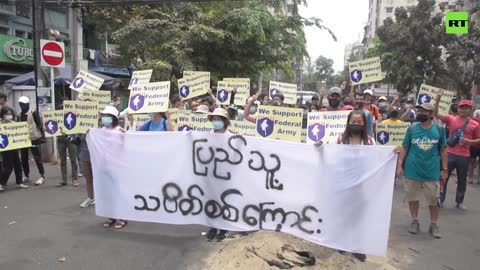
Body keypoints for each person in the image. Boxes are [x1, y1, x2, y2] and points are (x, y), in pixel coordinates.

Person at [396, 103, 447, 239]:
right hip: (412, 170)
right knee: (412, 197)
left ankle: (434, 224)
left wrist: (445, 169)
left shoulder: (439, 129)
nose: (421, 113)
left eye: (424, 111)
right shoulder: (412, 128)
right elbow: (405, 147)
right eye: (419, 110)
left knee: (433, 199)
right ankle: (415, 221)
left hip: (432, 171)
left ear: (431, 114)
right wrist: (400, 164)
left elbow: (443, 150)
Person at [434, 93, 479, 210]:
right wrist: (437, 101)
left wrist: (469, 141)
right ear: (458, 108)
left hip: (464, 156)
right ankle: (440, 199)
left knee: (462, 180)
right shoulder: (451, 119)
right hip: (449, 154)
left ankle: (459, 202)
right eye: (461, 107)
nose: (463, 110)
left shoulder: (475, 124)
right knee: (443, 177)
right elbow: (436, 114)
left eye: (466, 108)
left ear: (470, 109)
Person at [98, 106, 128, 229]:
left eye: (107, 116)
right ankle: (112, 217)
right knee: (108, 192)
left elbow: (128, 143)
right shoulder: (100, 131)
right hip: (105, 166)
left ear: (113, 118)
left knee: (118, 192)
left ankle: (123, 217)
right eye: (103, 116)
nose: (104, 118)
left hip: (117, 167)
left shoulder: (119, 131)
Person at [205, 108, 233, 241]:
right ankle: (212, 227)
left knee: (223, 200)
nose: (216, 122)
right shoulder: (207, 135)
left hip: (224, 174)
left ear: (224, 121)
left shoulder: (231, 137)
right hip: (210, 173)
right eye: (214, 119)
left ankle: (223, 228)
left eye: (218, 119)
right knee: (211, 200)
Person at [17, 96, 46, 186]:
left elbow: (40, 124)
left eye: (24, 104)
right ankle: (26, 175)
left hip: (34, 138)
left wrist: (43, 137)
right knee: (24, 158)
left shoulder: (33, 113)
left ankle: (42, 176)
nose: (22, 106)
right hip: (24, 139)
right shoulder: (19, 114)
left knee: (37, 158)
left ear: (27, 104)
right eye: (21, 104)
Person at [0, 107, 28, 191]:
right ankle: (1, 183)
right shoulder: (1, 124)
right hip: (5, 148)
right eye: (7, 114)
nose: (9, 116)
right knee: (8, 167)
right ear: (2, 115)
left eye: (10, 114)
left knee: (18, 165)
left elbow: (19, 132)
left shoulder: (14, 123)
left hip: (14, 147)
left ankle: (19, 182)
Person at [56, 104, 79, 187]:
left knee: (73, 159)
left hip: (70, 138)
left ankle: (74, 179)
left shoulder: (72, 113)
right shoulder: (57, 114)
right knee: (62, 160)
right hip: (60, 139)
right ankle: (64, 179)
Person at [467, 109, 480, 184]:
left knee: (471, 162)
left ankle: (470, 178)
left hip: (474, 144)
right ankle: (479, 179)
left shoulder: (472, 120)